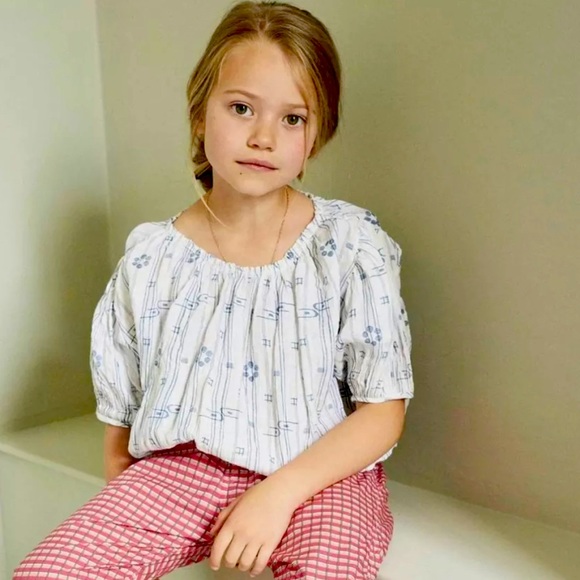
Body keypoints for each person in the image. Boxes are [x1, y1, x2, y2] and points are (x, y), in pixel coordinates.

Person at [14, 1, 413, 578]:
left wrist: (278, 494)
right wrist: (127, 519)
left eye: (292, 119)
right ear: (200, 113)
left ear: (315, 135)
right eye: (242, 107)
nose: (263, 137)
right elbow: (121, 413)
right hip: (181, 471)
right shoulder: (153, 258)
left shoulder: (350, 244)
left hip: (322, 474)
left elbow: (384, 411)